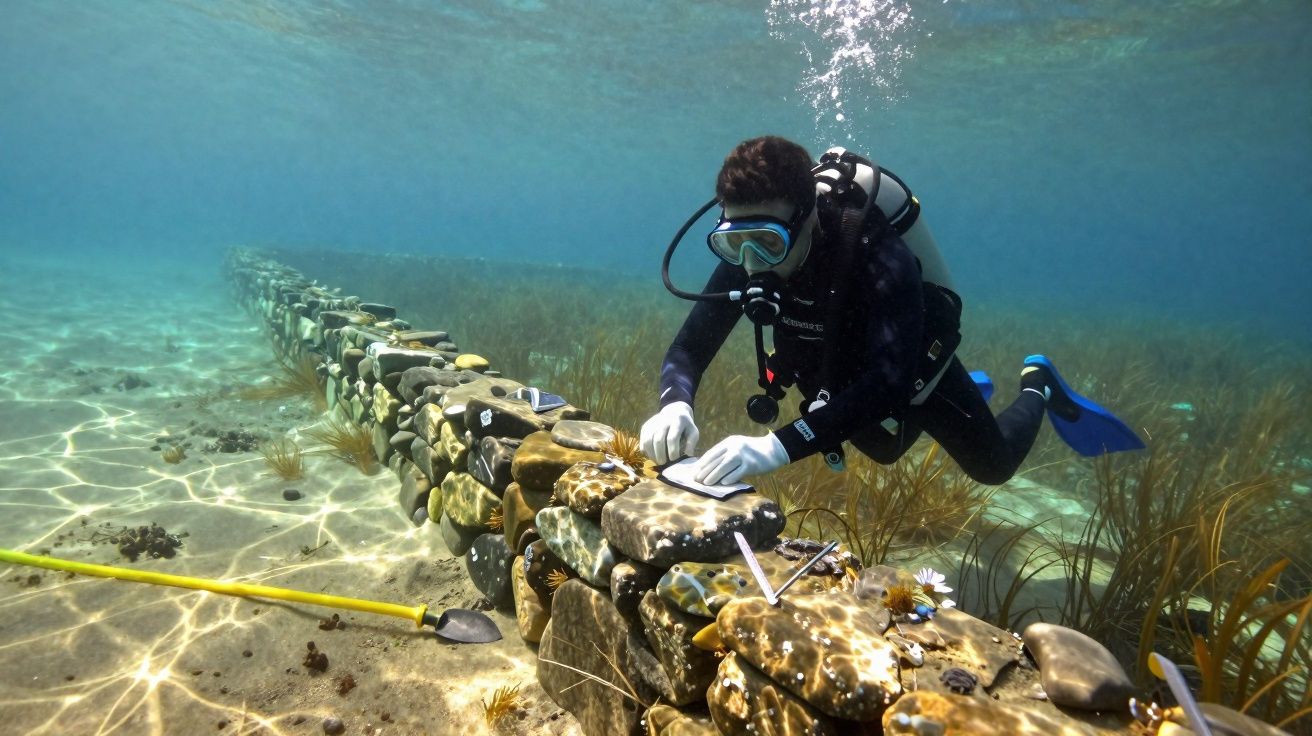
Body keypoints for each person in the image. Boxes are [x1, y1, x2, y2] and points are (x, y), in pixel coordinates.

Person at [641, 135, 1142, 486]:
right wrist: (675, 403)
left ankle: (1039, 385)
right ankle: (959, 397)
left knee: (993, 465)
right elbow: (689, 347)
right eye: (733, 244)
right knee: (883, 448)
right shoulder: (755, 239)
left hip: (907, 356)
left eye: (768, 242)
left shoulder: (874, 248)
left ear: (807, 217)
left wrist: (775, 447)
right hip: (846, 358)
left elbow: (889, 383)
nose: (751, 262)